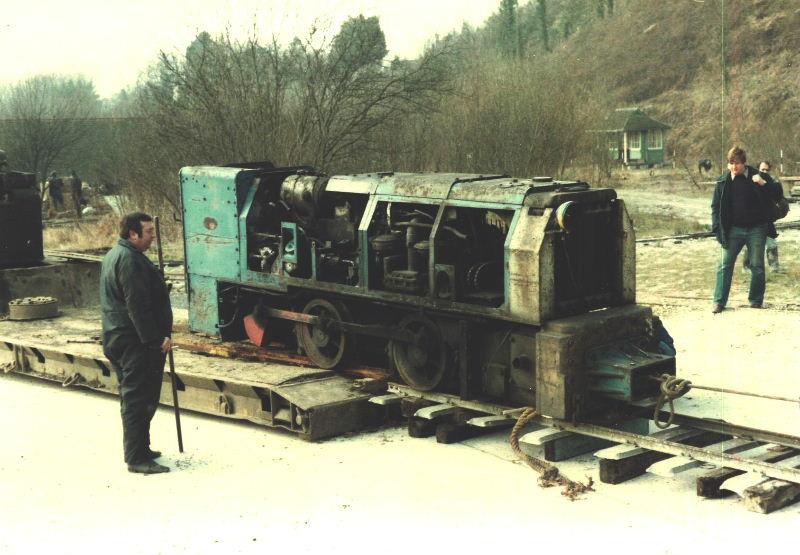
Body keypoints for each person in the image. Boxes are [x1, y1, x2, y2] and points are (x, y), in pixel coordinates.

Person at [100, 212, 173, 474]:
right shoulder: (129, 260)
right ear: (133, 234)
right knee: (137, 398)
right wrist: (155, 340)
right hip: (134, 342)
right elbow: (137, 306)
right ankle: (136, 458)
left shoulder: (115, 255)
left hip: (119, 336)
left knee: (135, 396)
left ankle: (142, 448)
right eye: (149, 231)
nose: (153, 236)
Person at [711, 147, 780, 313]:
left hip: (757, 228)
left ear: (745, 163)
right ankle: (719, 302)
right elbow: (715, 207)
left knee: (756, 265)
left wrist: (763, 183)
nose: (734, 167)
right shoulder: (723, 181)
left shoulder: (758, 176)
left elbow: (778, 194)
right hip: (733, 230)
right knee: (724, 265)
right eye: (731, 163)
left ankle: (756, 300)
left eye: (738, 163)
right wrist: (717, 229)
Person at [742, 160, 784, 273]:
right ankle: (746, 266)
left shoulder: (769, 180)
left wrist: (763, 183)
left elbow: (778, 192)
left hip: (767, 217)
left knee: (771, 242)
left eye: (766, 170)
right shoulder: (749, 179)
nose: (764, 172)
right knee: (751, 243)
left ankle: (775, 267)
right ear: (757, 169)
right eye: (762, 169)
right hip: (753, 218)